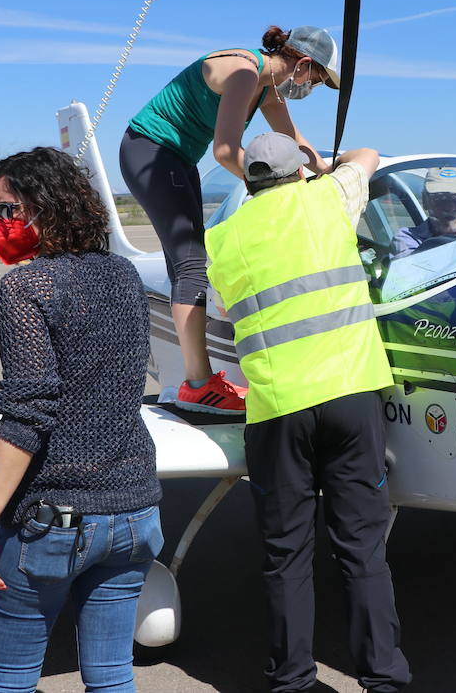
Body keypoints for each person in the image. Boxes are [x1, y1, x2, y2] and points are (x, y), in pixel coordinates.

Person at [205, 133, 410, 693]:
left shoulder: (222, 238)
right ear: (299, 174)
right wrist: (326, 164)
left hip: (276, 410)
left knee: (286, 555)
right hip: (350, 397)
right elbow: (368, 153)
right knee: (363, 549)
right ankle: (383, 676)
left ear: (248, 182)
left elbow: (223, 314)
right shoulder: (327, 198)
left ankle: (293, 679)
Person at [0, 147, 163, 693]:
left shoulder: (26, 287)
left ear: (46, 208)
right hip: (136, 511)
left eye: (8, 211)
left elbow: (28, 414)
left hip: (58, 522)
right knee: (110, 677)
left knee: (11, 680)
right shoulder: (124, 275)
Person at [119, 25, 340, 416]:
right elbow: (224, 151)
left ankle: (199, 381)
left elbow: (295, 140)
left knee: (187, 262)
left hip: (178, 156)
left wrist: (326, 172)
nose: (313, 88)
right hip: (151, 150)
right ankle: (199, 384)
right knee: (190, 265)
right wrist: (280, 193)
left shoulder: (268, 85)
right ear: (303, 64)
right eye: (318, 80)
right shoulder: (245, 74)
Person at [390, 166, 456, 256]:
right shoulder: (407, 239)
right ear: (425, 201)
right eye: (440, 199)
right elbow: (418, 272)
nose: (449, 207)